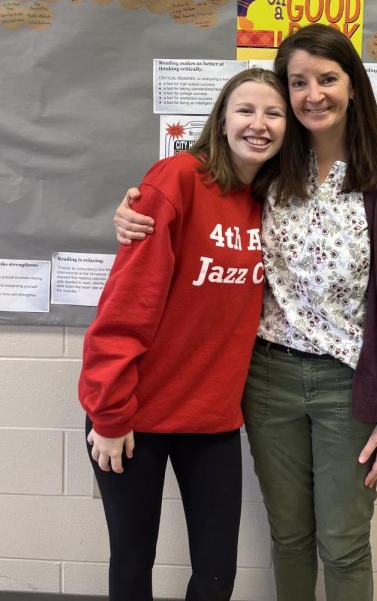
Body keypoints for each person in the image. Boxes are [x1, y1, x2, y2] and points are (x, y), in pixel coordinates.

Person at [114, 24, 377, 601]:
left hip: (349, 386)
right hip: (266, 378)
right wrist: (132, 212)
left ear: (353, 86)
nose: (313, 94)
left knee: (345, 540)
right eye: (298, 82)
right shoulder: (270, 172)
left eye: (327, 79)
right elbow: (198, 193)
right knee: (289, 536)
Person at [79, 67, 287, 601]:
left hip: (211, 417)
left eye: (273, 113)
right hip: (133, 415)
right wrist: (109, 412)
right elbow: (125, 306)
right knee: (133, 559)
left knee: (217, 571)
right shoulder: (178, 180)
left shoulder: (276, 201)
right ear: (221, 119)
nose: (258, 124)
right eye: (245, 110)